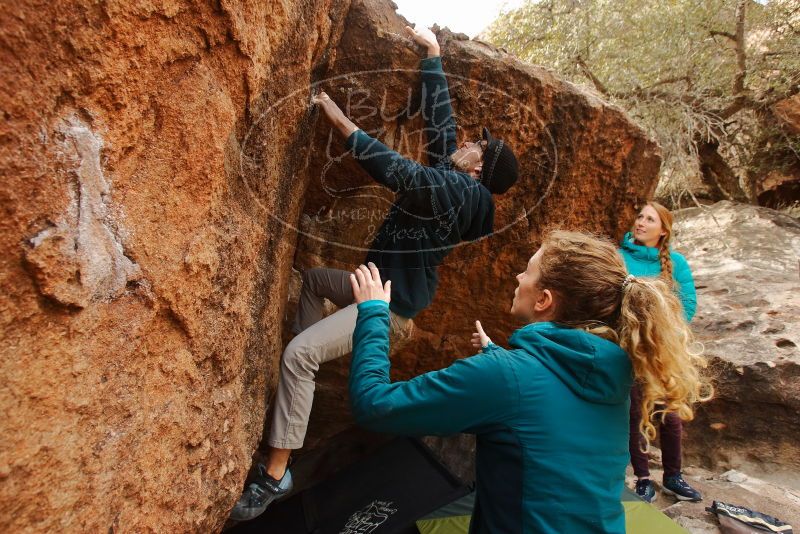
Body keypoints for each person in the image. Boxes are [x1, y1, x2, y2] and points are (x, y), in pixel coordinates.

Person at [230, 25, 521, 521]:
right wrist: (432, 57)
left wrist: (339, 120)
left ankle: (275, 475)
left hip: (388, 309)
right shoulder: (459, 182)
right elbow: (442, 128)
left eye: (477, 145)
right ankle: (300, 381)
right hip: (377, 292)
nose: (468, 141)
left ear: (478, 170)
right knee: (313, 282)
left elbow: (397, 171)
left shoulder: (460, 194)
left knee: (299, 354)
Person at [348, 231, 710, 533]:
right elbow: (547, 415)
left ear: (544, 299)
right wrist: (498, 358)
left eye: (527, 271)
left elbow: (374, 404)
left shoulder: (507, 377)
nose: (518, 278)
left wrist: (374, 313)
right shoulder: (613, 375)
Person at [619, 201, 701, 503]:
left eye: (649, 219)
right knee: (635, 413)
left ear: (663, 230)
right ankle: (642, 478)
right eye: (639, 216)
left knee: (670, 413)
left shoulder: (676, 263)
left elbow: (688, 303)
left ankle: (673, 477)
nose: (640, 222)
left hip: (661, 348)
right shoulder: (618, 257)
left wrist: (662, 333)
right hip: (627, 347)